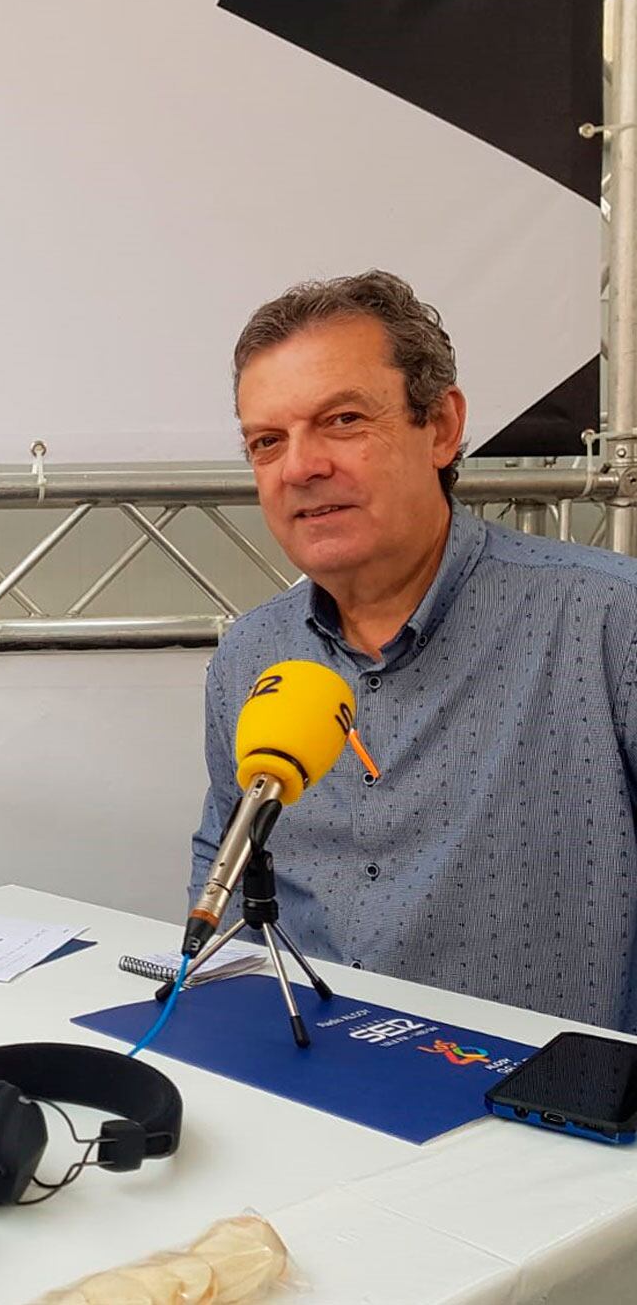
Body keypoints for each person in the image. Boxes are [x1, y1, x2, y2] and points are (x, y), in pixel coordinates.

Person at [192, 270, 637, 1029]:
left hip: (547, 1095)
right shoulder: (251, 655)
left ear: (441, 428)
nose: (299, 466)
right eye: (268, 441)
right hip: (307, 1073)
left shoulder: (610, 622)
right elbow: (224, 861)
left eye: (342, 420)